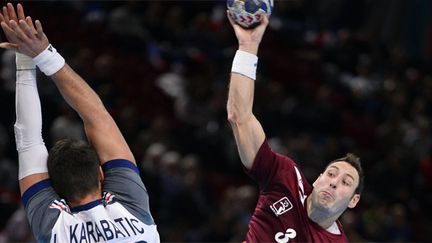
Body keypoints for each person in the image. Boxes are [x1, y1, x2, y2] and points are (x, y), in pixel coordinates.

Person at [0, 3, 160, 242]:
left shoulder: (55, 229)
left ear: (54, 189)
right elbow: (96, 115)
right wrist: (40, 54)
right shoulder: (132, 207)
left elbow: (28, 142)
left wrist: (26, 59)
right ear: (100, 174)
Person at [226, 12, 364, 243]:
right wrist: (248, 46)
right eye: (331, 174)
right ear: (318, 178)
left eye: (345, 183)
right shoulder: (286, 179)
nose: (333, 182)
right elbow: (239, 117)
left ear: (353, 200)